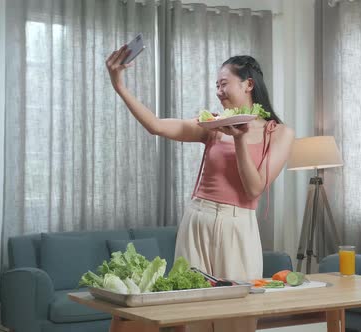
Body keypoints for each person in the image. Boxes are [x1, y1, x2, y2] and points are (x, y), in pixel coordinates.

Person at [106, 45, 294, 332]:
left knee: (237, 316)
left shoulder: (278, 133)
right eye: (216, 86)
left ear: (248, 84)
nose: (218, 91)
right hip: (198, 218)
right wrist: (119, 86)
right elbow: (156, 126)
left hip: (238, 226)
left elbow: (254, 189)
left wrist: (241, 139)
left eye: (223, 84)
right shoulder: (213, 126)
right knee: (192, 313)